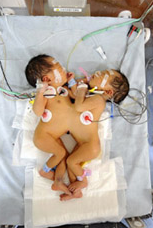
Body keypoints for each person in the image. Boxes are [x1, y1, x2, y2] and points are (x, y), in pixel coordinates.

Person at [60, 69, 130, 201]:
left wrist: (81, 88)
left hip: (90, 146)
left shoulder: (99, 100)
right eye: (102, 71)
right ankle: (76, 191)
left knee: (71, 161)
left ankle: (84, 182)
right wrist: (71, 83)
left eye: (103, 75)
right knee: (70, 164)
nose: (98, 72)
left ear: (108, 92)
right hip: (84, 144)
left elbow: (79, 107)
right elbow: (76, 97)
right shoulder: (92, 97)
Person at [25, 54, 75, 195]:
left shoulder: (63, 89)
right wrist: (40, 92)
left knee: (63, 156)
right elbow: (38, 111)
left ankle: (58, 181)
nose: (64, 70)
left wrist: (72, 82)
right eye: (60, 69)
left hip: (54, 136)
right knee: (60, 153)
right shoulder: (47, 93)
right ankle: (44, 171)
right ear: (46, 80)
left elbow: (77, 97)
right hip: (43, 136)